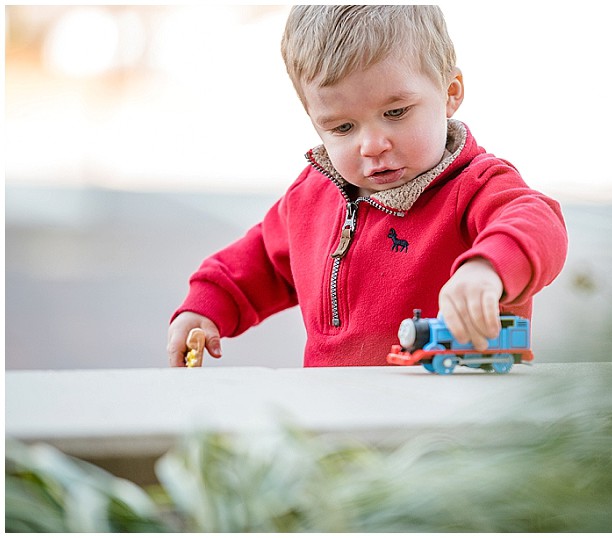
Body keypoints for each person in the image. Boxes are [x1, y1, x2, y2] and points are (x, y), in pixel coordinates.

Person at [167, 5, 568, 368]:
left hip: (452, 427)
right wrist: (207, 306)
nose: (372, 145)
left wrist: (487, 269)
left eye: (395, 112)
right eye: (343, 127)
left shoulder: (475, 186)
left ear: (450, 92)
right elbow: (263, 263)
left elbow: (538, 222)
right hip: (337, 421)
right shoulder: (312, 195)